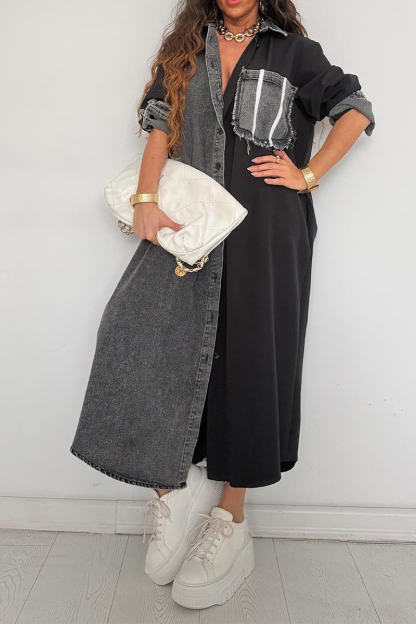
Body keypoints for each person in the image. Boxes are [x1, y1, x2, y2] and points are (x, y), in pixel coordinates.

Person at [70, 0, 375, 609]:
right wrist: (146, 200)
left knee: (251, 359)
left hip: (269, 231)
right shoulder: (186, 52)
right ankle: (172, 490)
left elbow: (356, 109)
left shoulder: (294, 52)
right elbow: (161, 126)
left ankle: (231, 519)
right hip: (191, 229)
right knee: (140, 335)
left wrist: (308, 174)